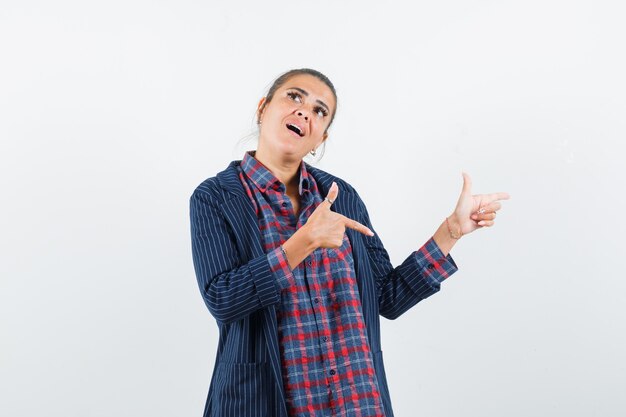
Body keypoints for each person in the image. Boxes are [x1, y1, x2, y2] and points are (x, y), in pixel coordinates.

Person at [189, 68, 510, 417]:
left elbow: (387, 297)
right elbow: (223, 299)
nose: (304, 112)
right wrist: (304, 241)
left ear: (320, 139)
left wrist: (451, 231)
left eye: (319, 110)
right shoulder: (215, 197)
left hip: (355, 402)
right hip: (263, 402)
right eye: (294, 97)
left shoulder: (341, 196)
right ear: (263, 109)